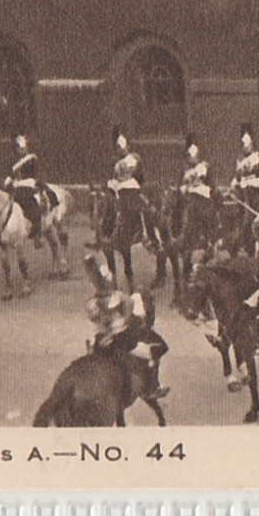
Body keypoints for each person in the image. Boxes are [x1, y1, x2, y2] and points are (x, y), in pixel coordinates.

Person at [83, 253, 168, 402]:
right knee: (156, 349)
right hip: (121, 337)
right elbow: (126, 308)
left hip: (103, 337)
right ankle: (152, 386)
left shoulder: (94, 301)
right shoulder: (116, 297)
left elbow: (98, 318)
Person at [108, 127, 158, 247]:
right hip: (118, 191)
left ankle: (152, 238)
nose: (120, 150)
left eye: (122, 148)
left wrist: (139, 188)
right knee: (106, 208)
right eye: (118, 148)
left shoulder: (135, 159)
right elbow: (112, 176)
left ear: (128, 147)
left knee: (145, 209)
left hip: (132, 191)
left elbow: (141, 177)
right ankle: (104, 235)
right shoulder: (114, 161)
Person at [2, 134, 45, 246]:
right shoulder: (13, 161)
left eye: (23, 148)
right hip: (15, 191)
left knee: (35, 210)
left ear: (27, 148)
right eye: (19, 149)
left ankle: (37, 236)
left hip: (28, 190)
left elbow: (35, 176)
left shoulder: (32, 159)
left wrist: (20, 182)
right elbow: (11, 175)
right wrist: (8, 180)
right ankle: (0, 234)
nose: (21, 151)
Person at [230, 124, 259, 204]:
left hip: (253, 181)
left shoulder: (256, 156)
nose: (247, 147)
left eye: (249, 145)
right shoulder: (240, 159)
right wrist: (235, 181)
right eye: (244, 145)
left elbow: (256, 170)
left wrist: (245, 170)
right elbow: (238, 174)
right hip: (244, 182)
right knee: (235, 188)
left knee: (247, 188)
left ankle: (248, 211)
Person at [180, 134, 212, 199]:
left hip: (195, 178)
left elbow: (195, 161)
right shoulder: (190, 151)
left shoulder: (193, 150)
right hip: (191, 178)